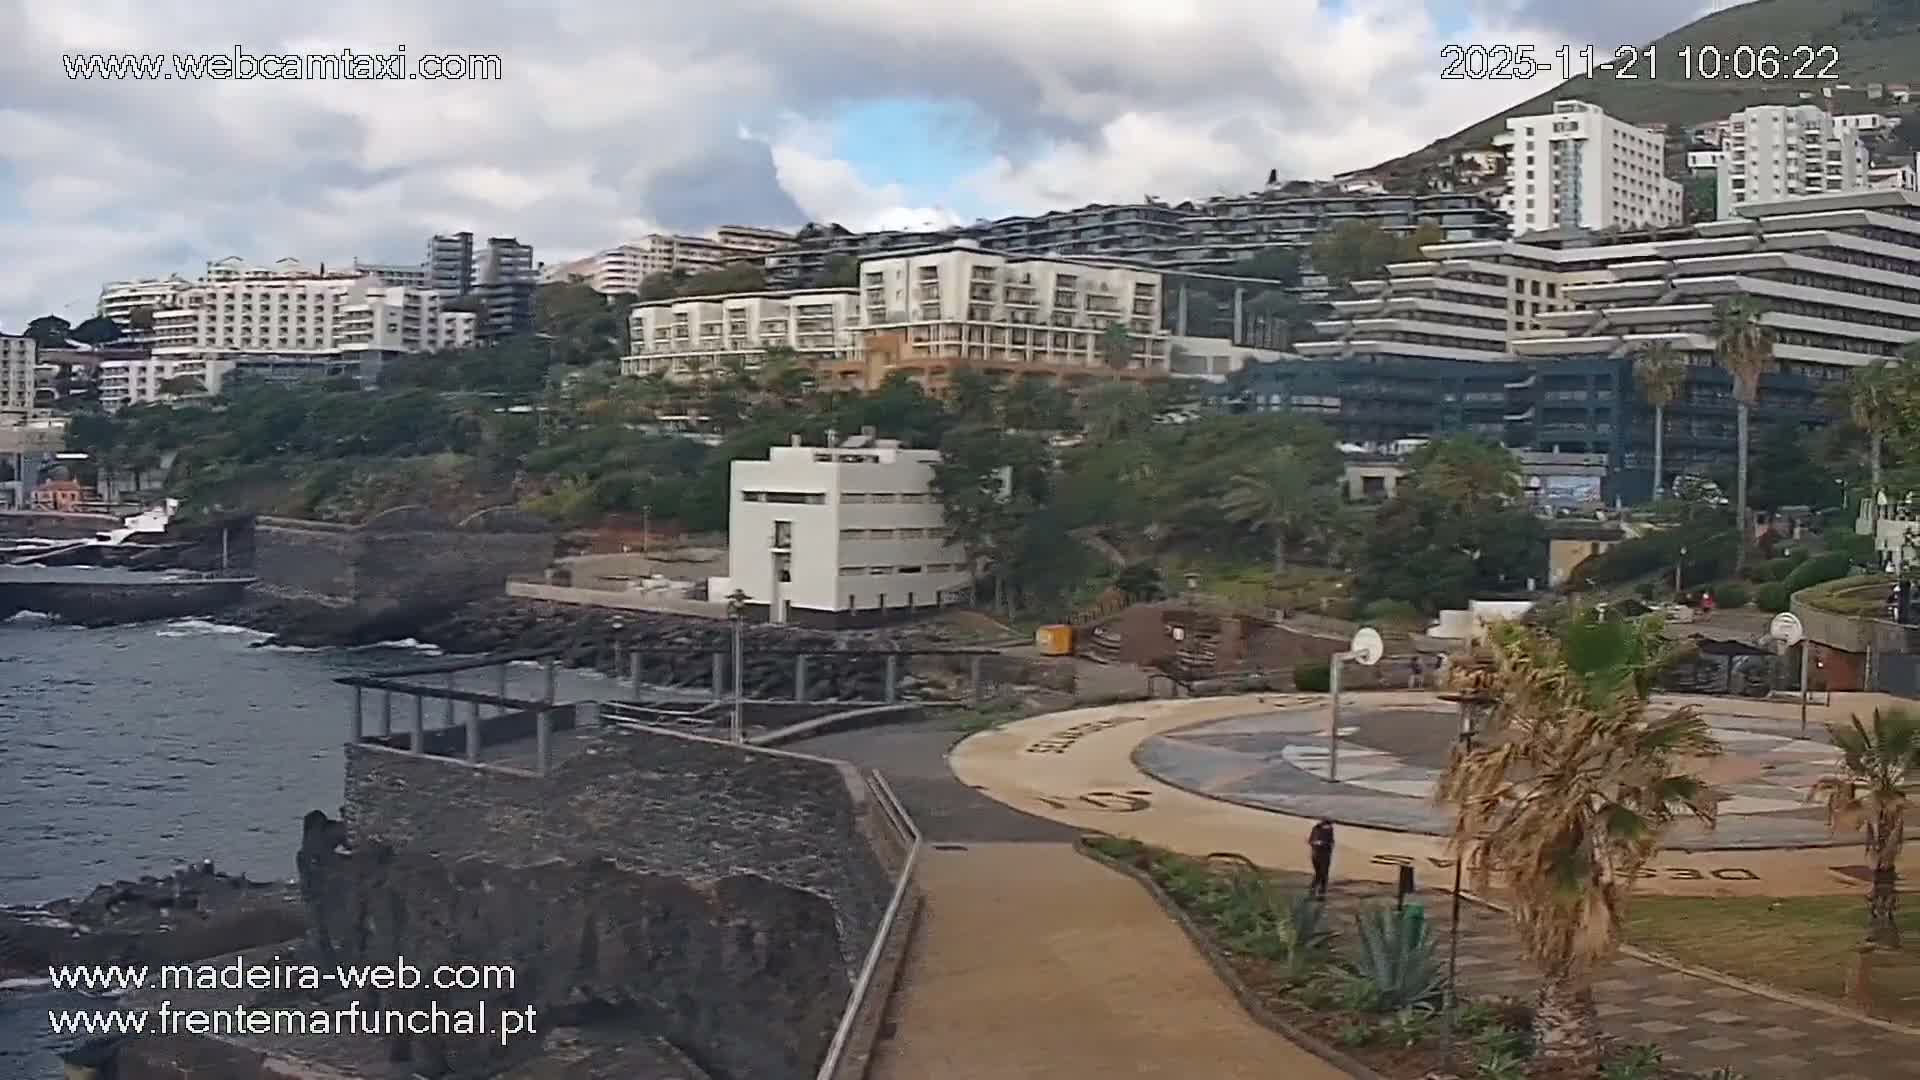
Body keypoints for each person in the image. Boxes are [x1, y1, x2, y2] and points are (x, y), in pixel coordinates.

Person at [1308, 818, 1335, 899]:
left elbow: (1331, 842)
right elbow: (1311, 841)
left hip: (1322, 854)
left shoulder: (1328, 830)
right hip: (1318, 854)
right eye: (1329, 826)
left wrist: (1326, 844)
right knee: (1321, 873)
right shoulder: (1317, 829)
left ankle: (1319, 889)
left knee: (1322, 873)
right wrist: (1317, 843)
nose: (1330, 827)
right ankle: (1318, 889)